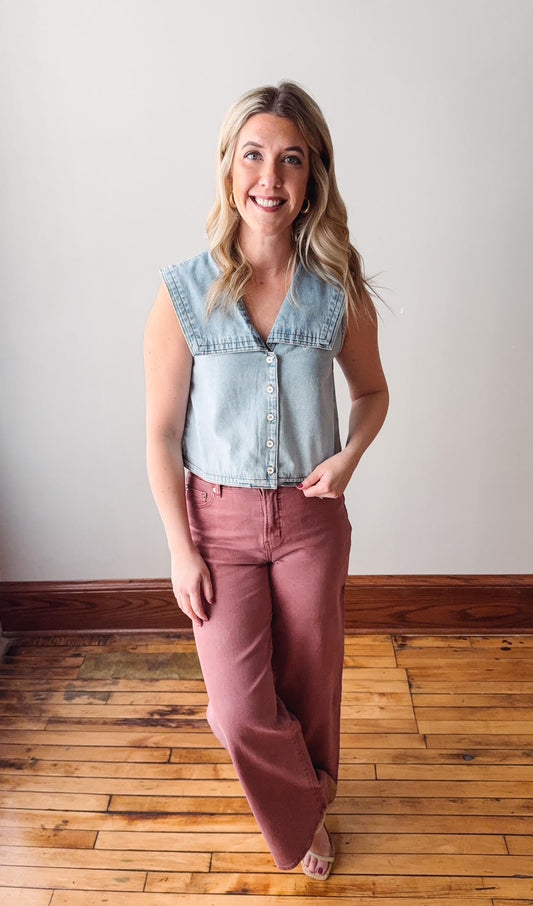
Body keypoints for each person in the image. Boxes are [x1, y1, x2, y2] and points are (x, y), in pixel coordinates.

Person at [144, 81, 388, 880]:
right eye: (253, 155)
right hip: (217, 520)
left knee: (309, 683)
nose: (270, 178)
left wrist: (347, 458)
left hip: (312, 519)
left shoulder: (337, 287)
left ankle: (306, 808)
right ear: (227, 166)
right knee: (239, 707)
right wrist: (181, 550)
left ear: (312, 175)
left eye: (291, 160)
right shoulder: (183, 292)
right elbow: (159, 432)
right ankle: (302, 806)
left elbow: (372, 394)